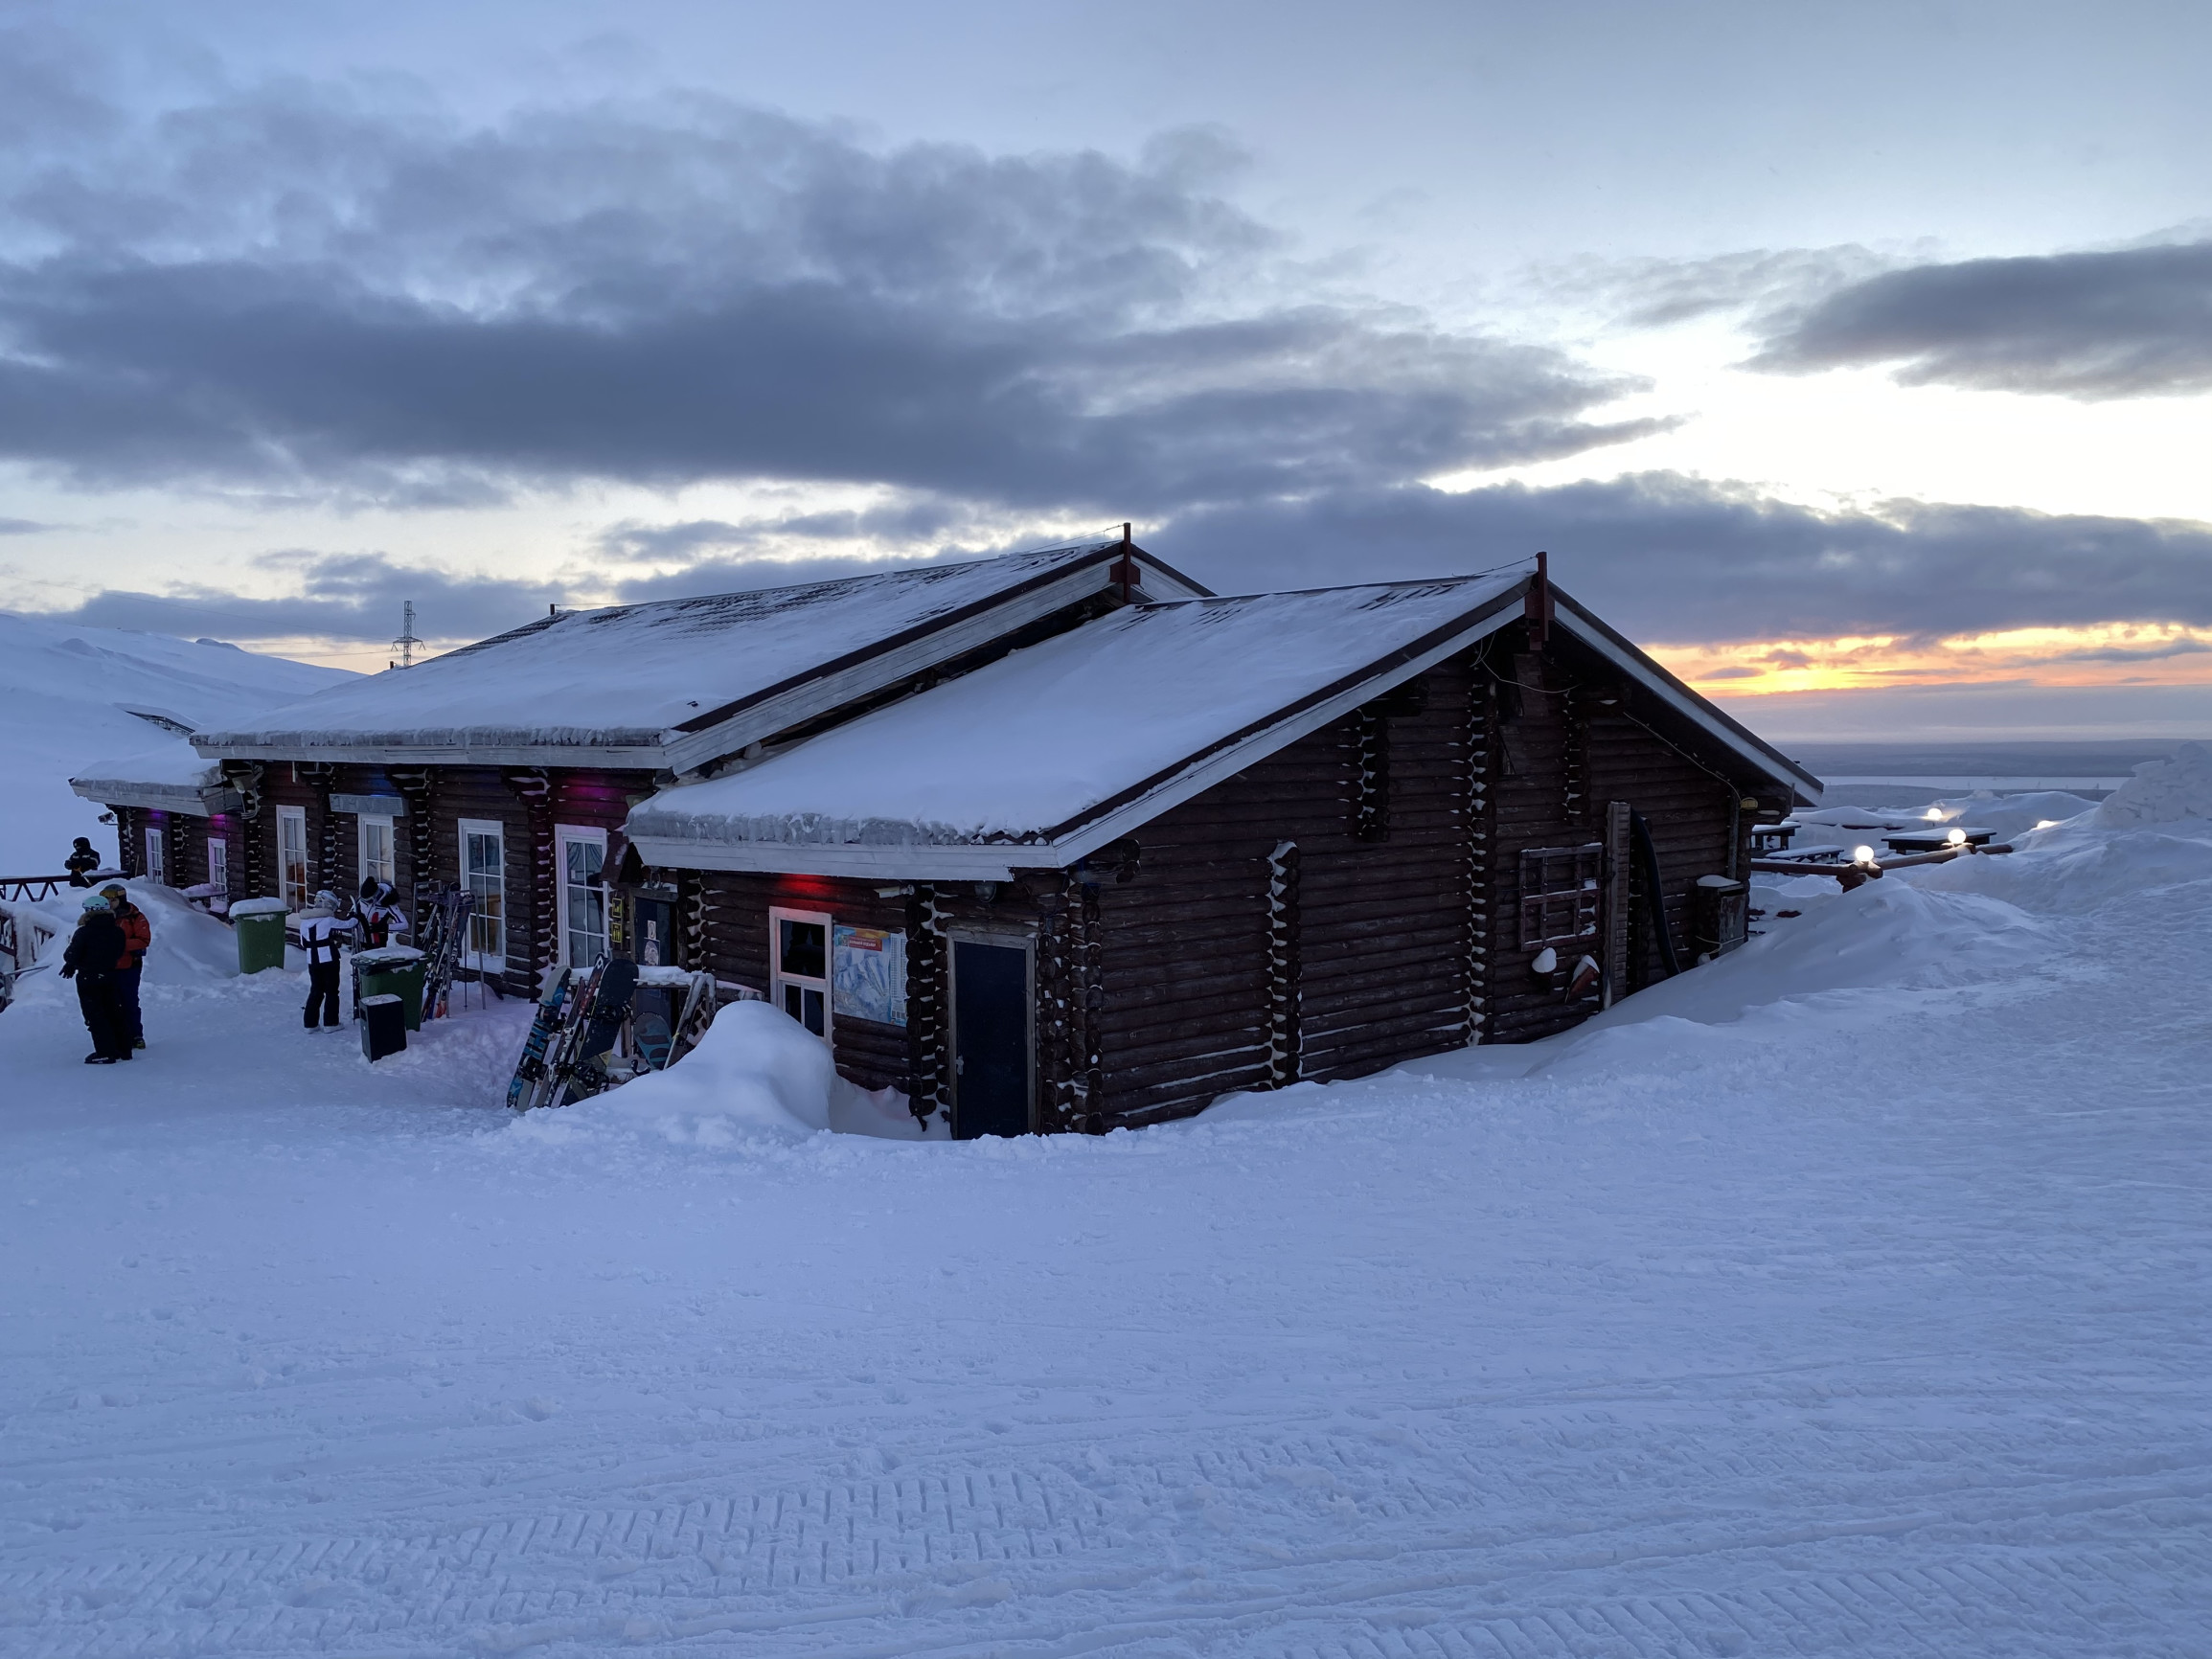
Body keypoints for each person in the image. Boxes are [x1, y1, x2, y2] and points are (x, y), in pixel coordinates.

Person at [58, 894, 131, 1062]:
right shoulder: (117, 931)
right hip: (111, 975)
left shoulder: (84, 932)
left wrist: (72, 963)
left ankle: (105, 1052)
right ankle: (123, 1049)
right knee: (114, 1011)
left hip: (88, 978)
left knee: (95, 1015)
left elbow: (71, 955)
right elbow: (119, 952)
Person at [100, 882, 151, 1052]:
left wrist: (118, 944)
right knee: (108, 1003)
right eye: (105, 899)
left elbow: (144, 940)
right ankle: (115, 1035)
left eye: (112, 900)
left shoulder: (135, 916)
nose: (109, 903)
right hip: (106, 967)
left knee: (129, 1002)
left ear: (121, 900)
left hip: (129, 966)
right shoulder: (100, 916)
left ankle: (136, 1035)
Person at [299, 889, 357, 1031]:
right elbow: (348, 924)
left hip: (312, 960)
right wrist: (356, 917)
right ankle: (331, 1023)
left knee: (316, 990)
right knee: (331, 990)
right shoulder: (328, 920)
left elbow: (303, 943)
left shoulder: (304, 923)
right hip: (329, 959)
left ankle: (310, 1024)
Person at [355, 878, 410, 950]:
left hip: (377, 943)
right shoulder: (364, 895)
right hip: (360, 942)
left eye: (369, 901)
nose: (368, 903)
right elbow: (354, 910)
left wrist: (384, 927)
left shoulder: (388, 903)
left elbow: (404, 925)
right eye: (365, 901)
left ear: (375, 896)